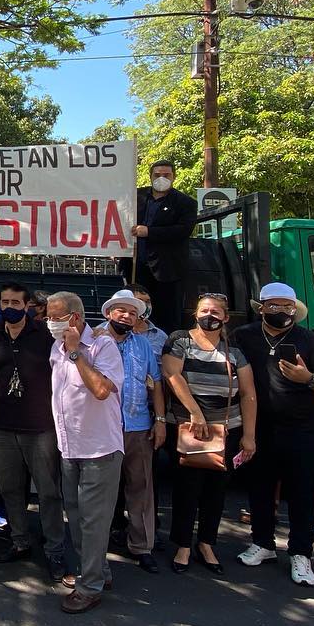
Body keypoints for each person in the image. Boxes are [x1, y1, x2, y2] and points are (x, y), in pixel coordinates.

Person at [231, 282, 314, 587]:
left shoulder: (310, 340)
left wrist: (309, 378)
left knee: (302, 493)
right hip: (257, 427)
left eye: (287, 307)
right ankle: (263, 544)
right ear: (262, 308)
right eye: (275, 306)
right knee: (260, 489)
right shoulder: (243, 336)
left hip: (301, 429)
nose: (281, 312)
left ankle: (301, 554)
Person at [0, 281, 66, 580]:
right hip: (0, 426)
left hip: (40, 427)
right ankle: (20, 541)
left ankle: (55, 550)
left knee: (48, 490)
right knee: (9, 488)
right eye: (5, 303)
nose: (9, 308)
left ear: (27, 305)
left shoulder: (46, 336)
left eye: (15, 303)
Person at [163, 293, 257, 574]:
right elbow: (172, 376)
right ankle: (181, 544)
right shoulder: (180, 340)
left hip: (226, 430)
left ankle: (206, 543)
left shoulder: (235, 351)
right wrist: (196, 413)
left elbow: (248, 393)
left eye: (216, 312)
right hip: (188, 427)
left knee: (216, 490)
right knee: (187, 488)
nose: (210, 316)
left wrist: (249, 435)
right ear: (195, 314)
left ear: (226, 317)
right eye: (204, 310)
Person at [47, 290, 125, 612]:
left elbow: (102, 390)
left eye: (56, 317)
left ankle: (90, 586)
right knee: (77, 518)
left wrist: (78, 351)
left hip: (100, 450)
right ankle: (98, 570)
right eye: (48, 317)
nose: (50, 323)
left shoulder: (104, 346)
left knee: (93, 521)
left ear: (75, 319)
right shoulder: (56, 347)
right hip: (70, 448)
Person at [96, 290, 166, 574]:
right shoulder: (93, 340)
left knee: (141, 488)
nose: (126, 316)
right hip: (101, 428)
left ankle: (142, 546)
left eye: (132, 313)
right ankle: (96, 548)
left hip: (137, 426)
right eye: (121, 311)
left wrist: (160, 420)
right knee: (100, 492)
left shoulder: (144, 346)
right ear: (109, 313)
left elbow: (157, 383)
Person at [131, 161, 197, 335]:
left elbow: (183, 230)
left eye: (166, 175)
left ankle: (166, 352)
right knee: (133, 310)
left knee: (166, 315)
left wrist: (149, 232)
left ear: (173, 177)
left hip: (168, 271)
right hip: (135, 267)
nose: (161, 178)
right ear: (150, 176)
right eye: (157, 175)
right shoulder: (135, 196)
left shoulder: (186, 202)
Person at [128, 284, 170, 353]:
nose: (145, 305)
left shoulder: (161, 336)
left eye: (147, 301)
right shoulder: (108, 331)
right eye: (140, 301)